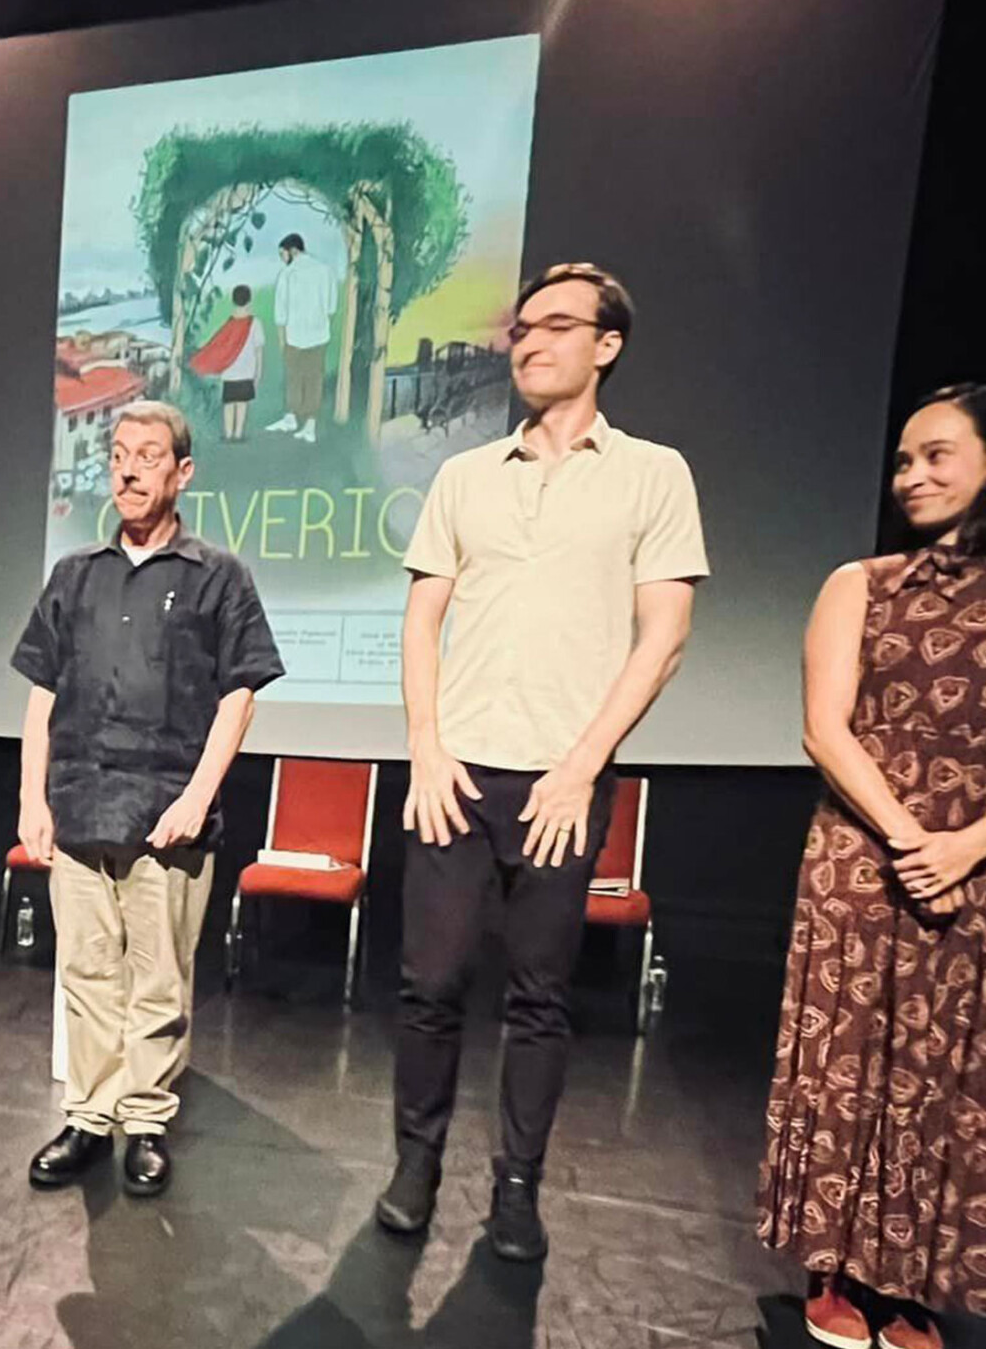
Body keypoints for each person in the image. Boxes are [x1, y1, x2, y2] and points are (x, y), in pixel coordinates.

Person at [382, 263, 709, 1261]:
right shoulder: (464, 476)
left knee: (537, 994)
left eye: (554, 326)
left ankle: (515, 1189)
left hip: (561, 779)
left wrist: (583, 764)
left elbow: (663, 634)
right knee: (429, 983)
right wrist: (425, 746)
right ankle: (415, 1162)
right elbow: (423, 616)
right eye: (519, 328)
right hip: (459, 772)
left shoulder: (654, 473)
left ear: (605, 345)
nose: (527, 343)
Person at [759, 384, 986, 1349]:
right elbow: (827, 729)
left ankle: (915, 1285)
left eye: (936, 455)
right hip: (865, 851)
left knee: (949, 1072)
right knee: (851, 1058)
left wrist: (965, 845)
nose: (911, 475)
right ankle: (836, 1270)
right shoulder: (858, 585)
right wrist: (913, 837)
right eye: (903, 459)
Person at [12, 400, 284, 1198]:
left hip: (168, 815)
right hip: (78, 808)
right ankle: (90, 1117)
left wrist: (199, 796)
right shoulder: (75, 576)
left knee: (159, 979)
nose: (128, 469)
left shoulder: (218, 577)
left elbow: (240, 696)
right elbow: (40, 696)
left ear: (182, 472)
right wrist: (33, 795)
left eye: (148, 455)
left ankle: (146, 1120)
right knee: (88, 971)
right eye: (118, 454)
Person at [264, 234, 338, 444]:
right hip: (319, 335)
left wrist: (281, 342)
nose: (282, 258)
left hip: (294, 336)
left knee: (294, 378)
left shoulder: (287, 275)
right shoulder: (326, 271)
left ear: (292, 251)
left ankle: (291, 417)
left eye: (283, 254)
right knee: (314, 379)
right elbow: (331, 308)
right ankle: (310, 424)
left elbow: (281, 316)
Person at [187, 285, 264, 443]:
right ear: (249, 301)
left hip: (229, 372)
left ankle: (228, 434)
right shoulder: (255, 323)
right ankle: (238, 434)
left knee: (229, 404)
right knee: (241, 403)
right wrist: (258, 373)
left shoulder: (229, 324)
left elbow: (217, 346)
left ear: (234, 301)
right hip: (247, 372)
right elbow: (259, 351)